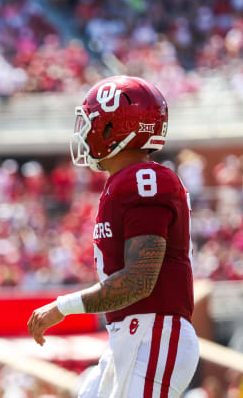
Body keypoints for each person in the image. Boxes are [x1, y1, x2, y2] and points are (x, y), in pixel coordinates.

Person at [27, 76, 199, 397]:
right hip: (133, 336)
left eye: (91, 123)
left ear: (112, 129)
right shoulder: (123, 182)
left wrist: (62, 307)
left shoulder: (144, 179)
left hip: (155, 334)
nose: (83, 132)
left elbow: (138, 281)